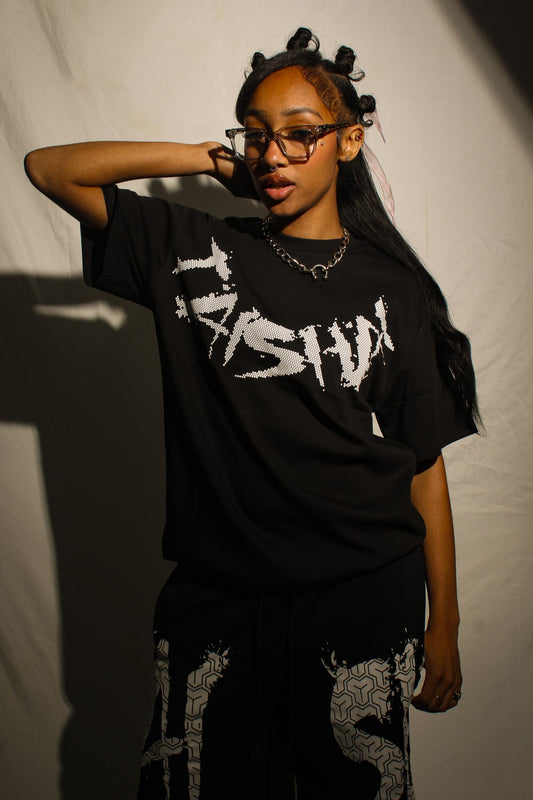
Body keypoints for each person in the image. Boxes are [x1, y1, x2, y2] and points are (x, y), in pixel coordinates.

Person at [24, 26, 479, 800]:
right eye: (258, 136)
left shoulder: (390, 287)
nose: (273, 155)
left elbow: (422, 463)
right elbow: (50, 168)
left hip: (359, 594)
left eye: (300, 135)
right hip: (218, 598)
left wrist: (445, 625)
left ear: (348, 141)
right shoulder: (192, 249)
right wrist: (208, 160)